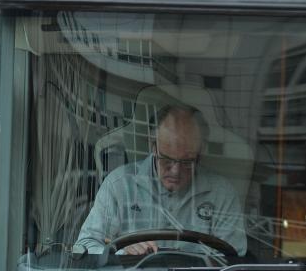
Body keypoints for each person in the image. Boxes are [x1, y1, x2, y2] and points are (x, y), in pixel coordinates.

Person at [74, 105, 247, 257]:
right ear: (152, 145)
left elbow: (235, 257)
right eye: (166, 159)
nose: (175, 170)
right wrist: (122, 253)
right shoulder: (120, 185)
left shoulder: (221, 193)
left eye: (187, 162)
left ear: (200, 152)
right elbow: (84, 246)